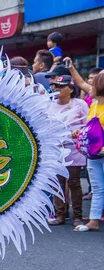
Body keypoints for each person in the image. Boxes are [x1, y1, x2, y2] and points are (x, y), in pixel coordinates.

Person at [46, 75, 88, 226]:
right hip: (55, 149)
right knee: (57, 183)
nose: (57, 89)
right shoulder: (49, 105)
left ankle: (77, 216)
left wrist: (79, 132)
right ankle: (60, 215)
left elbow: (88, 125)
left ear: (70, 89)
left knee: (74, 182)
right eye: (55, 86)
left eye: (61, 86)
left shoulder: (80, 104)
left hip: (73, 149)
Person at [74, 73, 104, 232]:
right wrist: (80, 132)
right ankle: (94, 221)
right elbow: (90, 128)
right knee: (98, 188)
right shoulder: (93, 105)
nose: (88, 87)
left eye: (92, 84)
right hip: (94, 154)